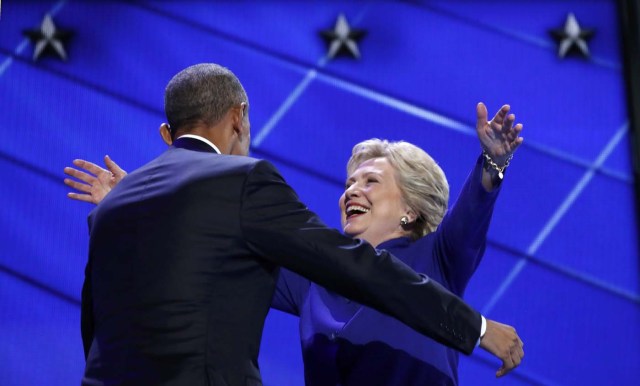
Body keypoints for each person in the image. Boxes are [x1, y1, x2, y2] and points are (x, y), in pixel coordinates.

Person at [64, 63, 523, 385]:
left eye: (370, 180)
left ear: (413, 207)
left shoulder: (439, 259)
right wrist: (163, 206)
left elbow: (473, 210)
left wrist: (493, 163)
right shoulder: (311, 282)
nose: (350, 191)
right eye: (348, 182)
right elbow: (216, 254)